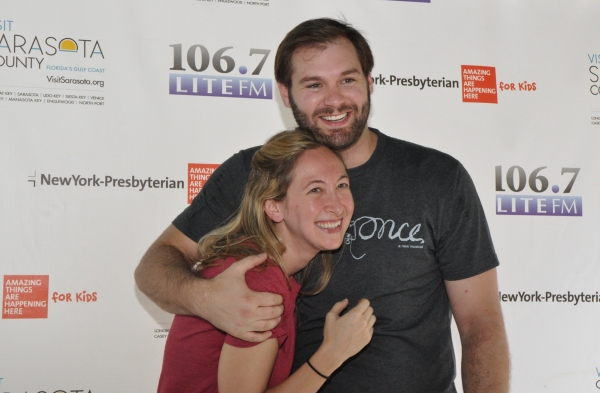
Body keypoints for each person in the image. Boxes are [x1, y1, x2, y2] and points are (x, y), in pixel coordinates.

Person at [136, 18, 510, 392]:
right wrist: (207, 299)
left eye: (347, 79)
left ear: (369, 83)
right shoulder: (254, 173)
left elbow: (481, 325)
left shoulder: (437, 177)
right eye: (314, 84)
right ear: (286, 93)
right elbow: (153, 268)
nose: (334, 99)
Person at [157, 130, 375, 393]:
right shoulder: (258, 279)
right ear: (273, 207)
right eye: (315, 189)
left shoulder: (262, 267)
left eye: (341, 185)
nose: (336, 206)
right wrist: (332, 354)